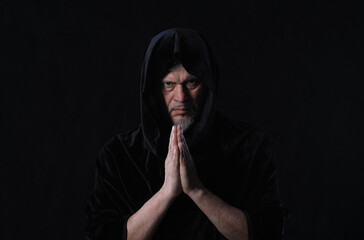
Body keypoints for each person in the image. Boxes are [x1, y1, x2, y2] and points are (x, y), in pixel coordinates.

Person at [85, 28, 288, 240]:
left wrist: (196, 190)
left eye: (192, 82)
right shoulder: (118, 155)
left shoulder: (251, 147)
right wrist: (166, 193)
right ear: (153, 90)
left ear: (208, 84)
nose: (181, 97)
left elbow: (268, 233)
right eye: (168, 84)